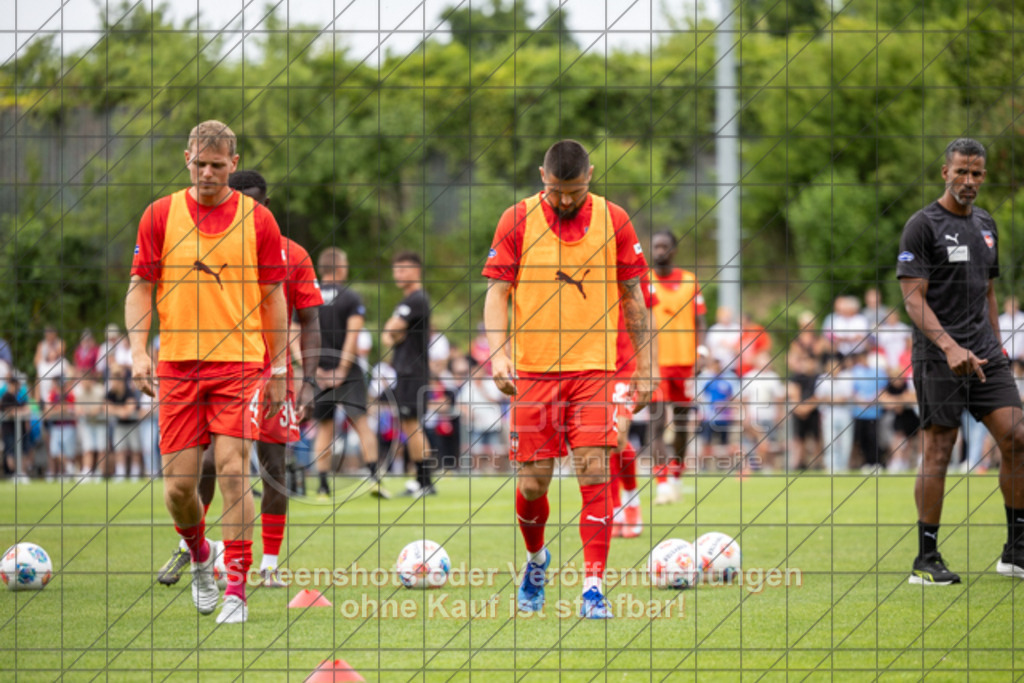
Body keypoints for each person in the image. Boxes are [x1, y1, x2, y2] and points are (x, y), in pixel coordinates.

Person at [126, 121, 289, 623]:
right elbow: (139, 287)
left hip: (239, 365)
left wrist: (279, 365)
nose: (209, 173)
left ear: (233, 165)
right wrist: (137, 350)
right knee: (179, 490)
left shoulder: (259, 222)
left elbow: (273, 298)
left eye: (219, 166)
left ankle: (236, 590)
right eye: (201, 164)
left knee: (236, 469)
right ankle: (200, 555)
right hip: (177, 367)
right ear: (187, 159)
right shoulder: (159, 215)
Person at [482, 139, 653, 619]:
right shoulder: (515, 219)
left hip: (594, 371)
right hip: (533, 373)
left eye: (573, 191)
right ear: (542, 176)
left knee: (595, 472)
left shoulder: (615, 219)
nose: (564, 201)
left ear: (591, 176)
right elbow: (497, 292)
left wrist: (646, 365)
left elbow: (633, 296)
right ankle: (537, 561)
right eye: (557, 191)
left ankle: (593, 589)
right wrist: (499, 355)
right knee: (534, 484)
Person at [897, 137, 1024, 585]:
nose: (968, 181)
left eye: (976, 173)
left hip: (986, 354)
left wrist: (997, 346)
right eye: (961, 172)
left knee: (1018, 437)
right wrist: (950, 347)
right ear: (944, 173)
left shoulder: (987, 224)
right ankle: (925, 559)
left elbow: (988, 291)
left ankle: (1016, 550)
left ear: (983, 176)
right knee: (939, 449)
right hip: (938, 356)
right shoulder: (922, 225)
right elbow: (913, 299)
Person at [312, 247, 386, 499]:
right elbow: (352, 337)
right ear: (341, 268)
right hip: (349, 371)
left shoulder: (307, 295)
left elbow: (294, 334)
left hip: (318, 370)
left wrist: (314, 368)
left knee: (324, 428)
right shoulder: (350, 297)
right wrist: (342, 369)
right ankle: (374, 479)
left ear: (321, 269)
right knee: (362, 424)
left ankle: (322, 486)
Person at [649, 230, 706, 504]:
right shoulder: (643, 281)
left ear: (673, 250)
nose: (659, 251)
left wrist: (702, 351)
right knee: (656, 422)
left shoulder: (689, 282)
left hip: (685, 364)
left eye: (664, 246)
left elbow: (700, 322)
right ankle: (661, 483)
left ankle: (676, 475)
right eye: (655, 246)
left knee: (683, 425)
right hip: (655, 365)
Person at [383, 251, 435, 497]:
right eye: (396, 269)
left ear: (416, 271)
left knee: (413, 424)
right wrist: (392, 332)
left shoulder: (416, 299)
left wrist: (393, 331)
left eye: (403, 269)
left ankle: (425, 482)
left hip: (414, 371)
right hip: (405, 371)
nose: (398, 274)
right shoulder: (407, 301)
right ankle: (419, 480)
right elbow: (388, 334)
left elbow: (391, 329)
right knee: (408, 424)